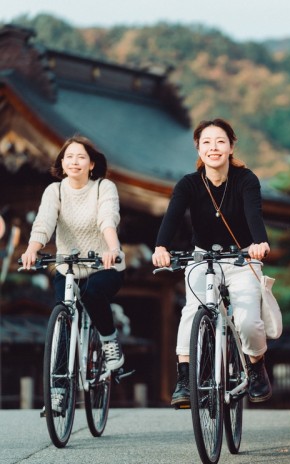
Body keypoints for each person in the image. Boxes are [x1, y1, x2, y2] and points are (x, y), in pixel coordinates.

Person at [152, 118, 272, 407]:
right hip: (202, 257)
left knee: (247, 318)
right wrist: (161, 246)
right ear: (198, 148)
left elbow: (253, 213)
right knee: (192, 310)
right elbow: (173, 216)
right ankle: (184, 378)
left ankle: (255, 366)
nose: (213, 148)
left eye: (220, 141)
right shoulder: (189, 184)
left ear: (231, 146)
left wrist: (259, 242)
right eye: (206, 142)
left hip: (242, 258)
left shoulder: (246, 180)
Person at [21, 135, 126, 372]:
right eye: (69, 157)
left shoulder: (103, 187)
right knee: (62, 324)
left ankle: (109, 340)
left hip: (104, 266)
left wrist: (113, 248)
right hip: (67, 268)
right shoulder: (54, 191)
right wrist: (31, 250)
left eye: (81, 157)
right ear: (62, 162)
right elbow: (44, 222)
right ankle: (58, 391)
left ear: (92, 164)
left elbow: (107, 218)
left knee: (92, 293)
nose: (74, 162)